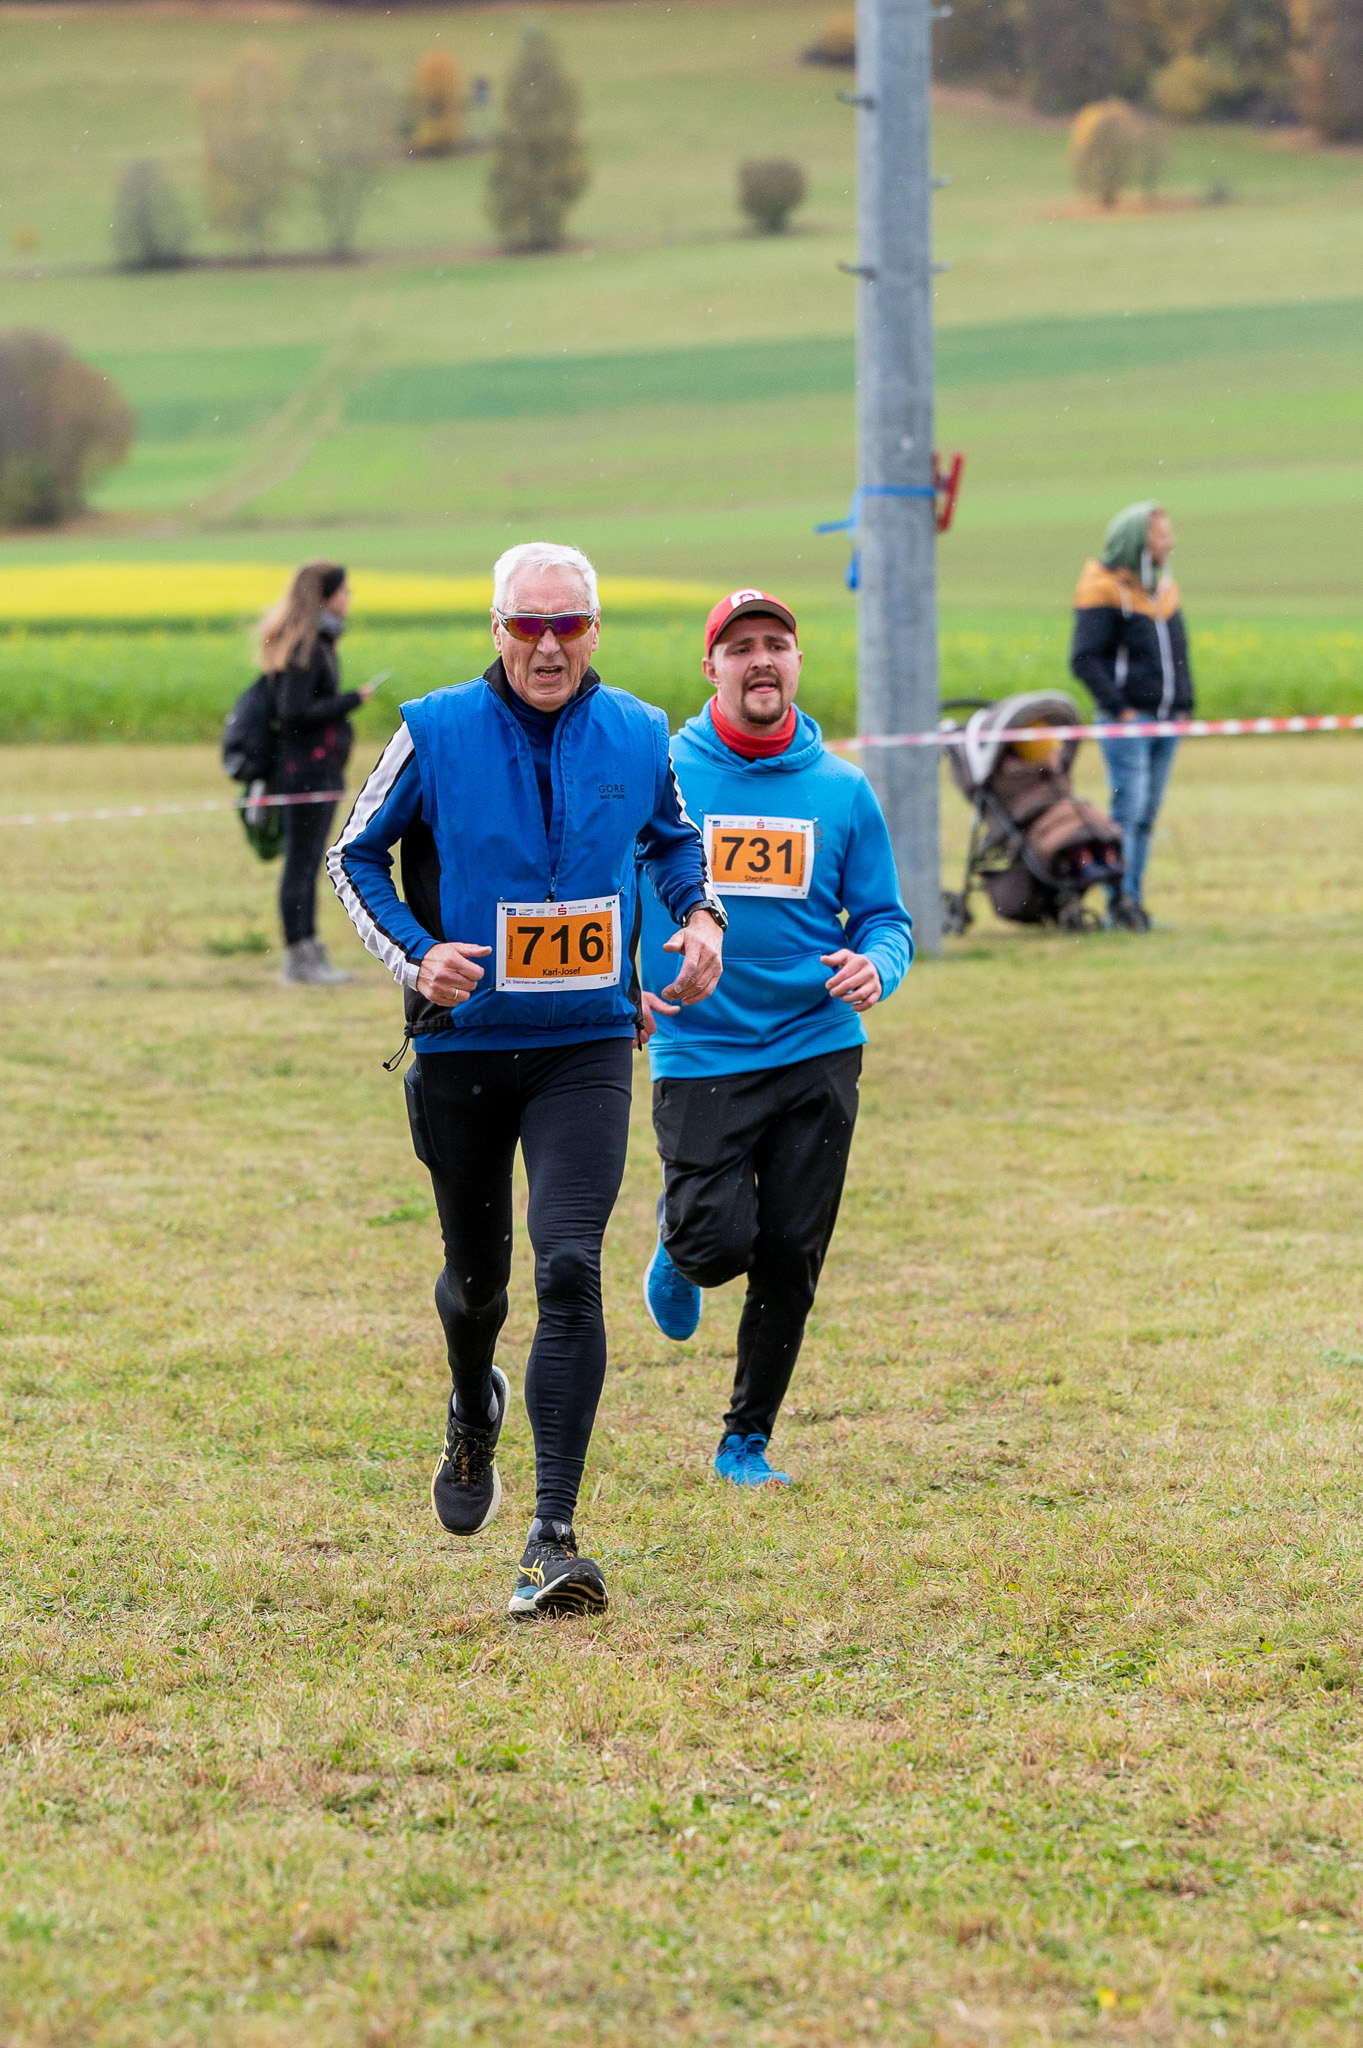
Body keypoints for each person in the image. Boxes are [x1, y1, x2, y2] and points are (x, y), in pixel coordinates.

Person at [327, 542, 726, 1616]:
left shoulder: (639, 731)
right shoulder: (433, 729)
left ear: (595, 629)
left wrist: (701, 915)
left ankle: (552, 1537)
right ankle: (472, 1404)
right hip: (461, 1046)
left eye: (569, 625)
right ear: (496, 628)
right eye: (527, 625)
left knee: (568, 1264)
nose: (548, 647)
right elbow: (353, 855)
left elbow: (673, 839)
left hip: (584, 1044)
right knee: (477, 1285)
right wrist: (418, 956)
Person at [638, 589, 914, 1488]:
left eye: (777, 643)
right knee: (718, 1244)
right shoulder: (661, 773)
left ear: (796, 663)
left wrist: (877, 966)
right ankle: (679, 1242)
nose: (761, 658)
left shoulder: (842, 789)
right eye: (741, 646)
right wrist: (617, 981)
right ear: (710, 667)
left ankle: (744, 1442)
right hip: (700, 1044)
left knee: (793, 1249)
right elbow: (601, 879)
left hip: (816, 1041)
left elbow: (885, 919)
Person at [1069, 503, 1193, 931]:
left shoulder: (1163, 588)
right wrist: (1120, 708)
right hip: (1129, 723)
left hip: (1165, 720)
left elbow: (1178, 653)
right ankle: (1119, 903)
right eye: (1161, 535)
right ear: (1138, 541)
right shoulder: (1102, 588)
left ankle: (1132, 901)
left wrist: (1184, 704)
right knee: (1129, 815)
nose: (1170, 543)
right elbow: (1084, 658)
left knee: (1147, 816)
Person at [259, 561, 380, 985]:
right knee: (302, 863)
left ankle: (308, 952)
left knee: (307, 862)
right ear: (326, 597)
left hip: (315, 770)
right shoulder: (306, 647)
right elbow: (294, 712)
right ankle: (300, 958)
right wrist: (350, 701)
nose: (349, 599)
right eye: (344, 591)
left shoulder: (313, 641)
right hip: (306, 773)